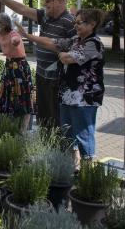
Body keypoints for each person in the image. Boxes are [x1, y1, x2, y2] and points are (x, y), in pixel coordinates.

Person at [16, 9, 105, 166]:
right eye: (75, 22)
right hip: (67, 95)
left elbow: (68, 58)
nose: (76, 25)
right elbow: (52, 42)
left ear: (92, 24)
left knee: (83, 134)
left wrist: (64, 55)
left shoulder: (94, 44)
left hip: (85, 98)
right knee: (68, 133)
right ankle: (73, 165)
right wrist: (28, 36)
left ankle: (88, 170)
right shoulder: (76, 41)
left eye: (80, 22)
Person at [0, 0, 75, 128]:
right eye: (46, 0)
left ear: (61, 1)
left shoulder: (69, 22)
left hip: (57, 78)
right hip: (42, 73)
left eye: (49, 0)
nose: (45, 3)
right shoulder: (45, 16)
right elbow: (22, 9)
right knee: (42, 113)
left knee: (54, 114)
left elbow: (75, 47)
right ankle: (45, 142)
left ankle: (56, 145)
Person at [0, 13, 33, 131]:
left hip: (20, 68)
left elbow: (16, 39)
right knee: (7, 96)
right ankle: (10, 126)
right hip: (9, 67)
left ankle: (23, 130)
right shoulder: (0, 35)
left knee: (23, 96)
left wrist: (15, 42)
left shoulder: (13, 34)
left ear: (5, 24)